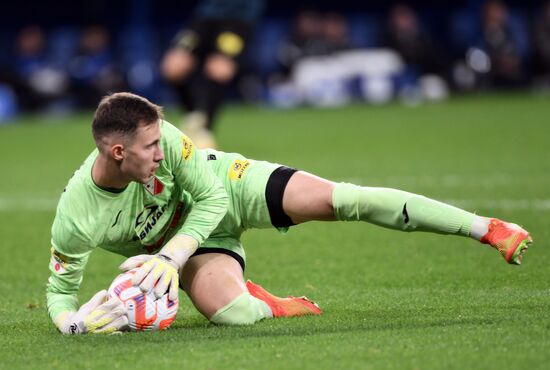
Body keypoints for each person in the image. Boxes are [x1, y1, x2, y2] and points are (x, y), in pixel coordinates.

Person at [47, 92, 532, 334]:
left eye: (160, 138)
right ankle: (272, 301)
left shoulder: (165, 139)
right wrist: (72, 323)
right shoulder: (77, 215)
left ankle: (486, 228)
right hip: (199, 246)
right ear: (116, 153)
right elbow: (59, 291)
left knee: (342, 199)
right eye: (150, 145)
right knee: (232, 316)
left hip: (231, 187)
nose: (161, 149)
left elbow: (213, 200)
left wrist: (171, 256)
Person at [160, 0, 265, 149]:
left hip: (238, 20)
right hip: (203, 19)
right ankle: (195, 119)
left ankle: (203, 129)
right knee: (173, 67)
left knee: (219, 69)